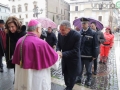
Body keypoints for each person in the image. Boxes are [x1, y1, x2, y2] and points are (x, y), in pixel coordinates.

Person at [12, 19, 59, 90]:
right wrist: (58, 54)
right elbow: (54, 62)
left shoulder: (20, 41)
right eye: (40, 28)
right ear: (37, 29)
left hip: (22, 79)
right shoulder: (42, 43)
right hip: (37, 81)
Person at [57, 20, 81, 90]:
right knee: (65, 76)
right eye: (60, 29)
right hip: (65, 60)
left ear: (69, 29)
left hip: (73, 60)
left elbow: (76, 50)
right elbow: (58, 44)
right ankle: (68, 86)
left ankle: (69, 88)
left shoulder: (77, 35)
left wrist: (63, 54)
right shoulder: (59, 34)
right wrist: (58, 50)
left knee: (72, 77)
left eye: (63, 30)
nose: (61, 32)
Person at [77, 18, 98, 86]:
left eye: (84, 23)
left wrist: (94, 55)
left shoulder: (93, 33)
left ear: (88, 24)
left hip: (88, 55)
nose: (83, 24)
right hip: (80, 55)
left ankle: (88, 79)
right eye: (82, 23)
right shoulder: (79, 33)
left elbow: (95, 45)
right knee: (79, 69)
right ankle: (79, 78)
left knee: (88, 70)